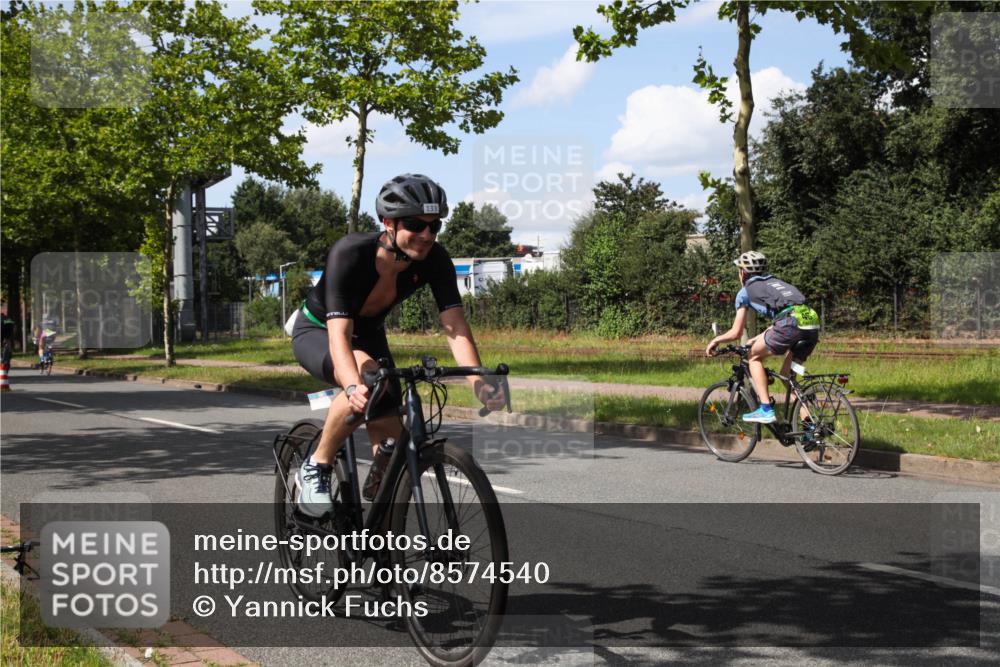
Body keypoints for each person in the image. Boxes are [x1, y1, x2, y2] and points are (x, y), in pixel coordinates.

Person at [291, 173, 506, 517]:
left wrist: (478, 381)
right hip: (319, 331)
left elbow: (455, 326)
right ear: (388, 222)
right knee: (366, 384)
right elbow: (339, 336)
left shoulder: (435, 259)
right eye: (414, 224)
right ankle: (316, 467)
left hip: (369, 335)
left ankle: (380, 540)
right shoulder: (350, 253)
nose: (425, 235)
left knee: (394, 453)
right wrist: (351, 384)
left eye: (434, 227)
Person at [705, 251, 820, 424]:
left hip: (789, 323)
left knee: (753, 356)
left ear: (742, 272)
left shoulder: (745, 292)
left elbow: (736, 332)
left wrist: (716, 340)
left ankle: (766, 409)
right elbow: (786, 314)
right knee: (787, 376)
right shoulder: (777, 282)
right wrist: (759, 337)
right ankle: (811, 427)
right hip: (811, 322)